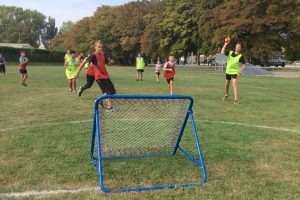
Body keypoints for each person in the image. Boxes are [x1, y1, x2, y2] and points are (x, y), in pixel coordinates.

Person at [76, 40, 116, 111]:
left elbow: (108, 63)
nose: (100, 48)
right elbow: (83, 62)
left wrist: (111, 62)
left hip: (105, 75)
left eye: (101, 47)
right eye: (98, 47)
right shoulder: (93, 55)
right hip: (97, 75)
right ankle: (109, 107)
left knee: (113, 91)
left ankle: (100, 102)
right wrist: (77, 72)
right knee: (105, 91)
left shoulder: (103, 55)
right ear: (95, 47)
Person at [221, 39, 246, 104]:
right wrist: (225, 44)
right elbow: (222, 52)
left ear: (240, 49)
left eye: (239, 47)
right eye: (237, 46)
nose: (237, 48)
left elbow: (244, 65)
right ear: (235, 47)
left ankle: (236, 99)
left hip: (235, 72)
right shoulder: (230, 52)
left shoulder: (241, 56)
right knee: (227, 84)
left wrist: (241, 69)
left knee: (234, 83)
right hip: (228, 71)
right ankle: (226, 94)